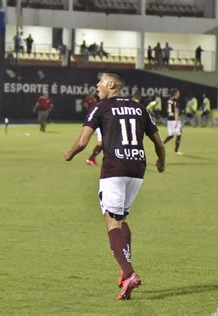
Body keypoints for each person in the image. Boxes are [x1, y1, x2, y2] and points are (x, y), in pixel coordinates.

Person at [63, 71, 165, 301]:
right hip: (137, 170)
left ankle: (129, 273)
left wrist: (68, 154)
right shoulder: (140, 108)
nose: (97, 85)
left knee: (111, 221)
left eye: (100, 81)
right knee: (121, 218)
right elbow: (159, 143)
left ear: (111, 85)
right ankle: (125, 267)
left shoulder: (101, 107)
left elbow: (82, 142)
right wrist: (162, 162)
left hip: (114, 169)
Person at [83, 90, 102, 166]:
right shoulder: (99, 105)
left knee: (103, 144)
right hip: (100, 124)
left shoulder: (96, 100)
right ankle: (91, 158)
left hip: (104, 125)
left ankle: (91, 158)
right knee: (101, 144)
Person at [163, 88, 183, 154]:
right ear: (176, 93)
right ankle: (176, 151)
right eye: (178, 92)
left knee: (171, 135)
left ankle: (161, 144)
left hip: (169, 119)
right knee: (179, 134)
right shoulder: (176, 100)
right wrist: (177, 121)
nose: (179, 93)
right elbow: (176, 110)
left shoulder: (169, 100)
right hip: (174, 119)